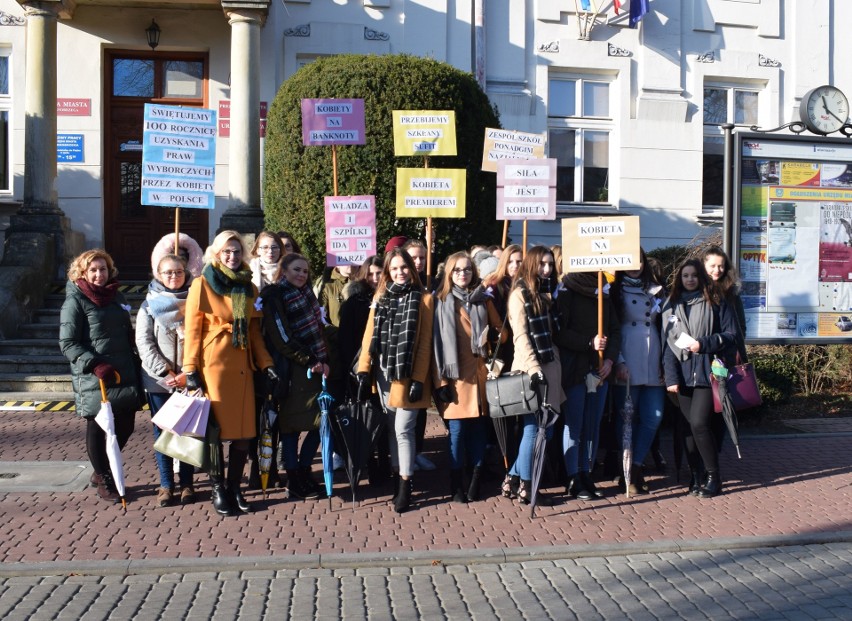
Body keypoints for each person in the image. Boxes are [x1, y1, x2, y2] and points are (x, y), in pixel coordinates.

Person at [183, 231, 276, 517]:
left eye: (236, 252)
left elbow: (255, 333)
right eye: (227, 252)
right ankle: (217, 487)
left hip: (243, 367)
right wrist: (190, 369)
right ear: (216, 254)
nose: (232, 257)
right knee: (216, 434)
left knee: (245, 434)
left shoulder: (250, 287)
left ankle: (235, 486)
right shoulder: (202, 284)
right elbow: (193, 331)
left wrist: (266, 364)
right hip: (215, 366)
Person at [59, 249, 142, 503]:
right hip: (95, 375)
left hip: (122, 371)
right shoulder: (75, 300)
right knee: (98, 426)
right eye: (93, 270)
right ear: (82, 272)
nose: (98, 274)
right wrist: (93, 364)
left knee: (125, 423)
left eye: (103, 269)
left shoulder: (116, 295)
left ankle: (101, 469)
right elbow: (68, 342)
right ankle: (104, 477)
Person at [356, 248, 435, 513]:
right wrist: (364, 369)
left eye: (404, 267)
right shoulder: (381, 296)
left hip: (409, 373)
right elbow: (369, 335)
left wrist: (418, 378)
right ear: (387, 272)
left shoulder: (423, 298)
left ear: (412, 269)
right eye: (394, 269)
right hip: (384, 371)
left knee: (403, 428)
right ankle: (396, 476)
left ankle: (405, 485)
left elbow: (424, 343)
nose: (399, 273)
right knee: (392, 428)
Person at [432, 252, 505, 503]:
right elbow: (435, 346)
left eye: (467, 270)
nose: (463, 274)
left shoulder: (483, 301)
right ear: (449, 273)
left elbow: (501, 332)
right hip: (454, 377)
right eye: (457, 270)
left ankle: (474, 482)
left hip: (479, 375)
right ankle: (456, 485)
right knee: (457, 433)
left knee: (478, 433)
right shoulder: (440, 301)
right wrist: (440, 382)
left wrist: (493, 337)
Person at [662, 258, 737, 498]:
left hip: (709, 372)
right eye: (685, 275)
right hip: (682, 375)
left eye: (694, 275)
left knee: (698, 423)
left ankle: (714, 476)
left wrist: (702, 344)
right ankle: (696, 475)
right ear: (679, 279)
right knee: (687, 428)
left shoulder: (716, 301)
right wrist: (671, 377)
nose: (690, 279)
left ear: (701, 277)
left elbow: (731, 334)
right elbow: (669, 344)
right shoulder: (671, 306)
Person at [260, 252, 331, 500]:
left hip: (315, 366)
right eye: (296, 270)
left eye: (304, 271)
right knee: (291, 427)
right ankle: (294, 477)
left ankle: (304, 469)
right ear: (284, 271)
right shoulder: (275, 295)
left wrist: (323, 360)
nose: (301, 274)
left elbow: (318, 328)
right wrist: (311, 361)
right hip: (292, 369)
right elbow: (282, 338)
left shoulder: (306, 293)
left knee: (320, 422)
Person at [504, 246, 565, 505]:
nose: (547, 269)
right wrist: (535, 370)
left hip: (550, 364)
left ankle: (513, 478)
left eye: (550, 264)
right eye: (542, 264)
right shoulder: (520, 294)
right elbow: (521, 336)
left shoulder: (544, 292)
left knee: (544, 430)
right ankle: (528, 488)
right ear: (531, 264)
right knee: (534, 429)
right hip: (534, 369)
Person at [135, 251, 195, 507]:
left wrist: (187, 372)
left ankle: (188, 484)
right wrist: (165, 371)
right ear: (158, 275)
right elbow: (143, 341)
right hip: (159, 380)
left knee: (189, 433)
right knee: (163, 433)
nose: (174, 276)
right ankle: (166, 484)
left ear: (186, 273)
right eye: (168, 272)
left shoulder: (195, 299)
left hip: (189, 377)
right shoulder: (149, 304)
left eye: (178, 272)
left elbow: (201, 338)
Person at [555, 270, 620, 501]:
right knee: (575, 425)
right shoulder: (567, 290)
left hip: (599, 370)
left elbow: (614, 329)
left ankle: (586, 473)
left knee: (592, 425)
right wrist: (588, 343)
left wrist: (610, 359)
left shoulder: (604, 292)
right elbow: (560, 332)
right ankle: (573, 477)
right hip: (575, 369)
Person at [610, 248, 666, 494]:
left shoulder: (656, 289)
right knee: (626, 419)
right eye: (629, 259)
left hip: (653, 357)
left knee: (653, 416)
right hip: (628, 354)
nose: (635, 264)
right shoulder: (614, 290)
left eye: (639, 259)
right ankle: (626, 471)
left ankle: (637, 464)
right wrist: (618, 360)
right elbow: (611, 327)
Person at [338, 256, 389, 486]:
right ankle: (366, 463)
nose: (375, 278)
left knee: (385, 420)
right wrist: (354, 370)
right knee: (367, 418)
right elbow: (345, 340)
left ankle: (384, 463)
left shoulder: (391, 298)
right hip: (360, 369)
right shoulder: (353, 302)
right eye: (371, 274)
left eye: (379, 273)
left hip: (385, 368)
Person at [403, 239, 437, 472]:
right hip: (406, 357)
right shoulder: (400, 286)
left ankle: (417, 452)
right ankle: (402, 456)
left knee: (422, 406)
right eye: (413, 258)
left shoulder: (432, 284)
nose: (418, 262)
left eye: (422, 258)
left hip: (431, 353)